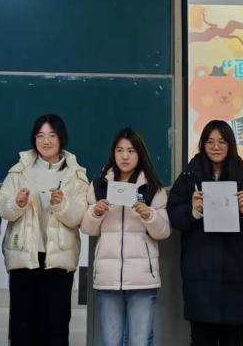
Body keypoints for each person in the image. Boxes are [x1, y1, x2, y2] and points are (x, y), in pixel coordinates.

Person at [167, 119, 243, 346]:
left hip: (236, 272)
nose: (215, 147)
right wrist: (193, 211)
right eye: (210, 142)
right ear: (202, 145)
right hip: (199, 272)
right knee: (202, 338)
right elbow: (174, 215)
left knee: (233, 338)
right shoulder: (189, 177)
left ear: (231, 144)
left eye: (222, 142)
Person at [0, 114, 89, 346]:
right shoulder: (19, 170)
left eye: (52, 135)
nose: (46, 141)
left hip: (58, 260)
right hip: (24, 258)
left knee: (56, 328)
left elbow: (79, 216)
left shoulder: (75, 175)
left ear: (61, 138)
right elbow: (2, 207)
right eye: (40, 136)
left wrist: (62, 204)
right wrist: (17, 203)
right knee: (22, 327)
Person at [81, 128, 171, 346]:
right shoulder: (99, 186)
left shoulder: (153, 188)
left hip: (142, 279)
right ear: (113, 153)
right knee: (111, 341)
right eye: (119, 150)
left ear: (140, 154)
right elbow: (88, 229)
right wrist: (96, 212)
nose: (125, 156)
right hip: (108, 278)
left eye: (131, 151)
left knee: (140, 340)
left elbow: (163, 232)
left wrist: (149, 215)